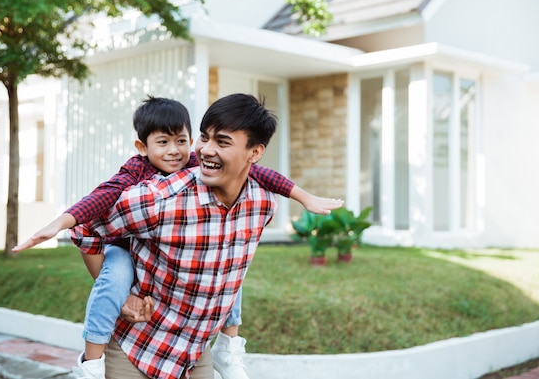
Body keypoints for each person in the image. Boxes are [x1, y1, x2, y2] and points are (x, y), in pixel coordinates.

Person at [18, 96, 343, 379]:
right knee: (116, 273)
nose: (205, 150)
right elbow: (87, 227)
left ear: (254, 153)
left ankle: (230, 349)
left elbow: (264, 178)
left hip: (194, 351)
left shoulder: (261, 204)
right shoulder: (156, 196)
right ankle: (90, 361)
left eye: (223, 142)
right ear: (144, 147)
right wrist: (119, 292)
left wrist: (304, 197)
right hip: (138, 349)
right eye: (205, 138)